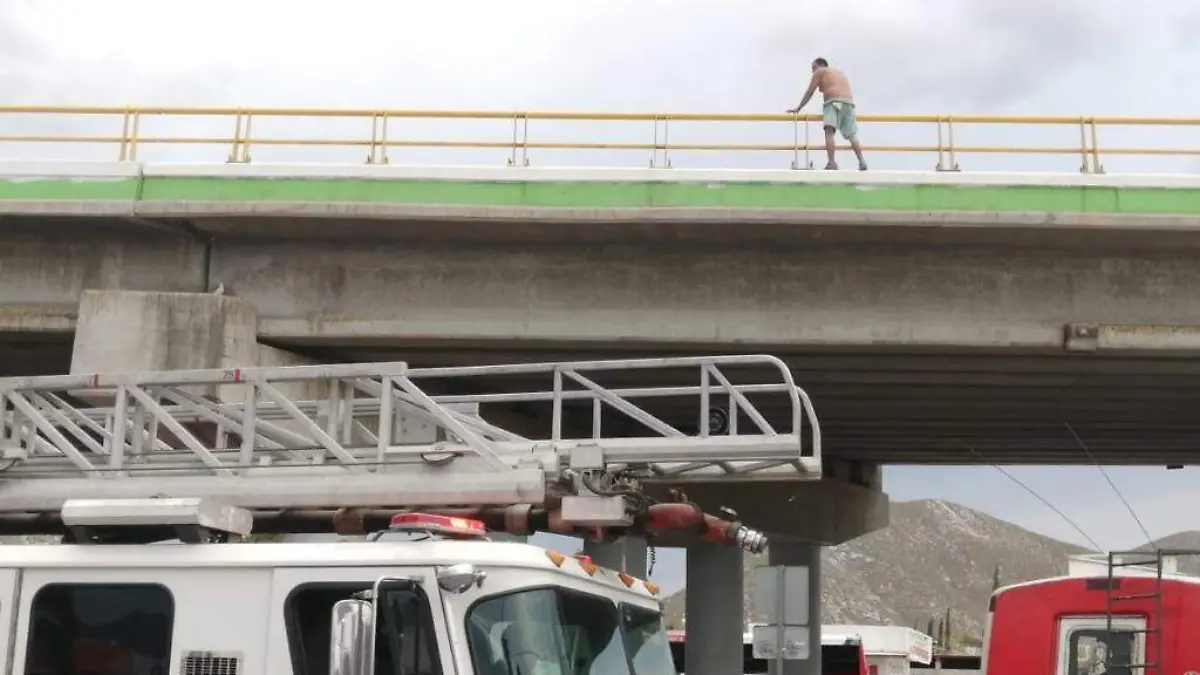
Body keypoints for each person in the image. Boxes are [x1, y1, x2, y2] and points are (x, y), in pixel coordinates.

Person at [786, 58, 868, 171]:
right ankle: (862, 161)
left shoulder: (820, 71)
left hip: (833, 102)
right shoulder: (838, 73)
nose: (813, 71)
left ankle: (832, 162)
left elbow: (810, 91)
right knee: (852, 135)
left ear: (821, 65)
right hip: (848, 104)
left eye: (814, 68)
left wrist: (799, 108)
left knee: (829, 131)